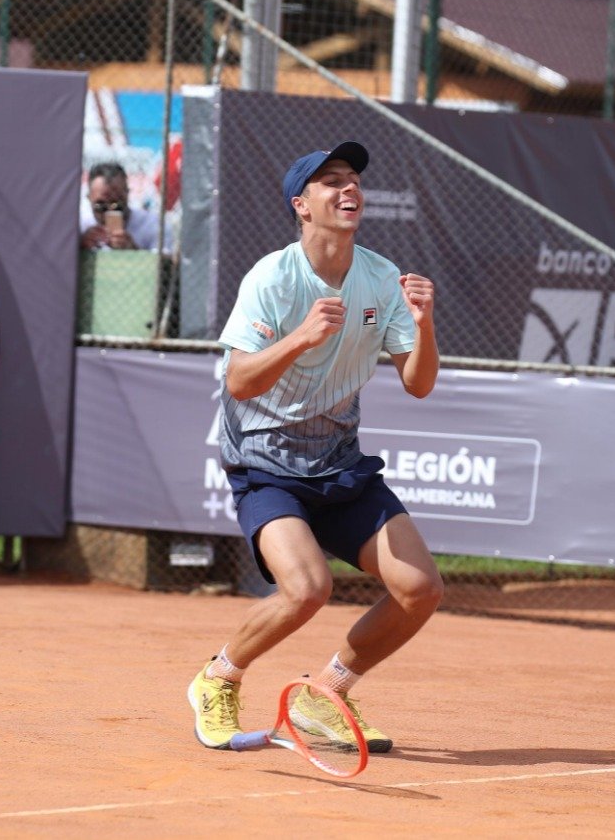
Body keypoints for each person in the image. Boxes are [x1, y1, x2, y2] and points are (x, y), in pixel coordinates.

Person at [187, 141, 443, 754]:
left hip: (338, 463)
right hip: (264, 461)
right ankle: (217, 678)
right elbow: (239, 379)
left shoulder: (382, 278)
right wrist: (301, 337)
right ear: (303, 205)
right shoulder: (272, 277)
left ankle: (323, 693)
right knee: (306, 589)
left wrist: (425, 322)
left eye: (353, 178)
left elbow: (419, 383)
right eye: (331, 182)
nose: (348, 189)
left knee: (421, 589)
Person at [78, 162, 170, 252]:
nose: (109, 212)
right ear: (89, 198)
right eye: (101, 206)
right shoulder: (80, 225)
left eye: (117, 206)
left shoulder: (151, 224)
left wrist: (135, 252)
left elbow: (165, 262)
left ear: (127, 195)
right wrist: (78, 245)